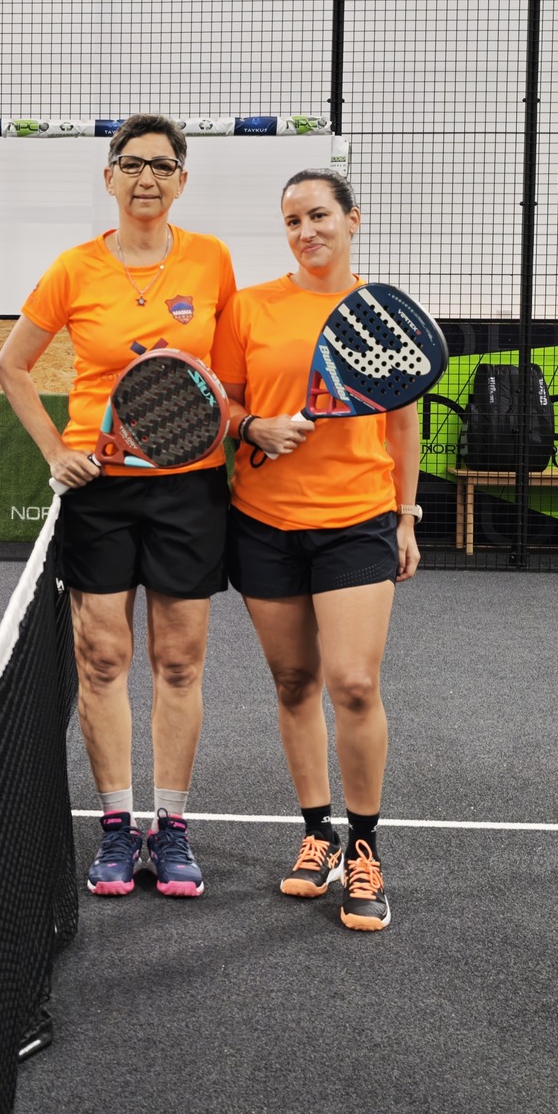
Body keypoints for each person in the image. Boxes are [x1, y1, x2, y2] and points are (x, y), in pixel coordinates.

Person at [0, 114, 237, 898]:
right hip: (98, 490)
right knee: (101, 661)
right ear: (109, 177)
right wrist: (54, 452)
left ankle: (171, 827)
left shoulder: (212, 260)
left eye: (162, 166)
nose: (146, 179)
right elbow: (11, 367)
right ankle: (114, 827)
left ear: (182, 181)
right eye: (132, 165)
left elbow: (226, 378)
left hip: (188, 486)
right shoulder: (74, 269)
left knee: (179, 661)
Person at [209, 168, 421, 931]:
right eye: (294, 221)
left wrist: (405, 515)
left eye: (320, 215)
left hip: (357, 520)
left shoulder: (379, 313)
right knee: (294, 681)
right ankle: (316, 834)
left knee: (354, 684)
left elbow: (402, 421)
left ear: (353, 220)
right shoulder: (251, 308)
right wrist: (252, 427)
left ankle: (365, 849)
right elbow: (222, 400)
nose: (307, 231)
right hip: (263, 522)